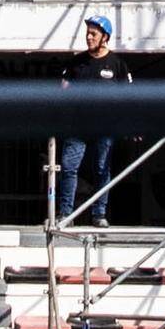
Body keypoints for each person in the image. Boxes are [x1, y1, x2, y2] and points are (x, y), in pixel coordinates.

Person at [51, 13, 131, 224]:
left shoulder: (117, 64)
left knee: (102, 169)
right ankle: (66, 213)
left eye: (93, 34)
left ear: (105, 37)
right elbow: (63, 90)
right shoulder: (77, 62)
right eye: (87, 33)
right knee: (69, 167)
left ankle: (99, 214)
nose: (89, 38)